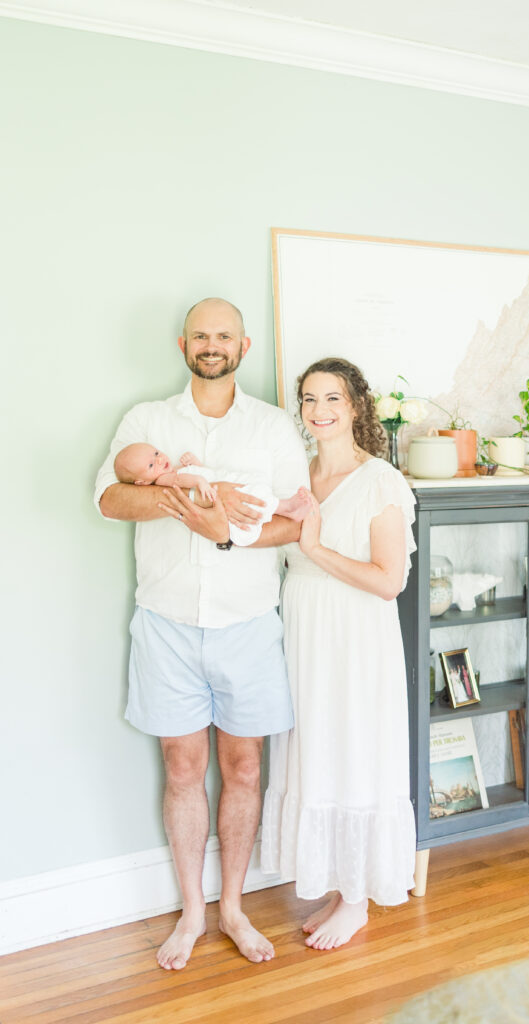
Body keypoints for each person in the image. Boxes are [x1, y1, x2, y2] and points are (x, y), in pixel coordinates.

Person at [94, 298, 309, 970]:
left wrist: (223, 534)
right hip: (167, 626)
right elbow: (109, 499)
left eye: (223, 336)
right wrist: (183, 502)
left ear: (243, 345)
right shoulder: (146, 422)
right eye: (200, 335)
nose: (211, 345)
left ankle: (235, 909)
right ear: (181, 343)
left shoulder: (273, 427)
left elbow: (297, 523)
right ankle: (192, 912)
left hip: (247, 625)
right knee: (182, 771)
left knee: (244, 769)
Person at [261, 356, 417, 950]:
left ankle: (357, 902)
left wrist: (314, 545)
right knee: (318, 748)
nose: (319, 411)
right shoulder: (296, 478)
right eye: (308, 399)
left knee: (355, 749)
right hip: (305, 637)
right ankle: (338, 884)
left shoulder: (381, 481)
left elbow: (388, 580)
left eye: (332, 399)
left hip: (356, 641)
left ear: (355, 406)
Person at [114, 442, 310, 546]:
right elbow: (185, 481)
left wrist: (196, 465)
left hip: (220, 490)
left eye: (156, 453)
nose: (158, 460)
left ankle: (282, 509)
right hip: (217, 497)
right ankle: (286, 507)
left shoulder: (172, 469)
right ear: (142, 482)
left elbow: (199, 473)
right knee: (252, 495)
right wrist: (199, 480)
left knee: (251, 492)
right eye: (150, 465)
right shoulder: (163, 480)